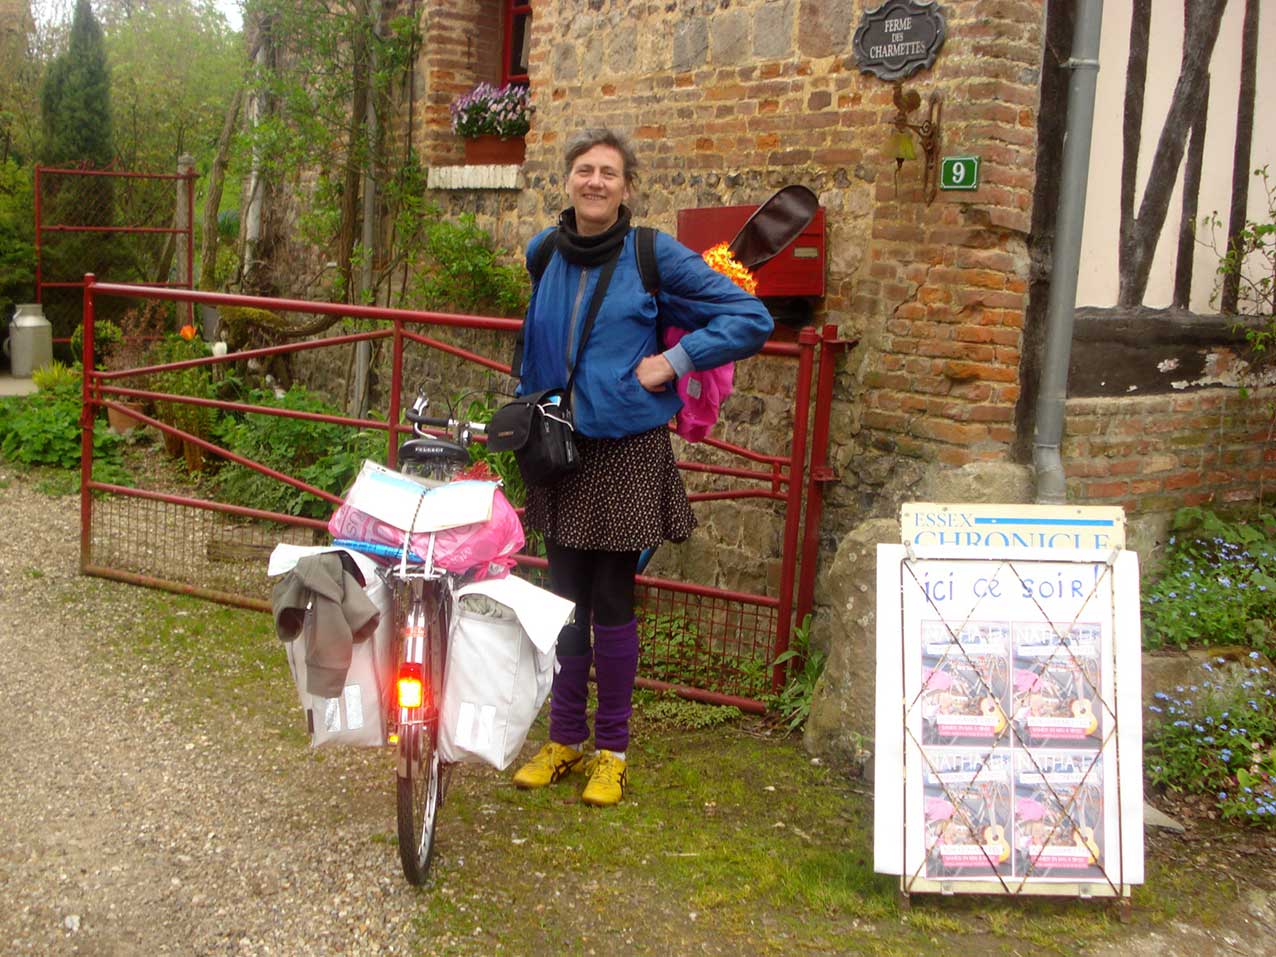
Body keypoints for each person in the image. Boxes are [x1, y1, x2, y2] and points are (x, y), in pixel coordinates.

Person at [510, 128, 773, 806]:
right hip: (557, 446)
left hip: (626, 448)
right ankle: (564, 739)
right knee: (563, 599)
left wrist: (675, 361)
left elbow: (748, 316)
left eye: (609, 172)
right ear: (568, 180)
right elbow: (535, 336)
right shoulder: (545, 251)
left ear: (626, 186)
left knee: (611, 600)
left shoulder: (653, 254)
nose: (595, 181)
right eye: (584, 170)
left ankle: (612, 752)